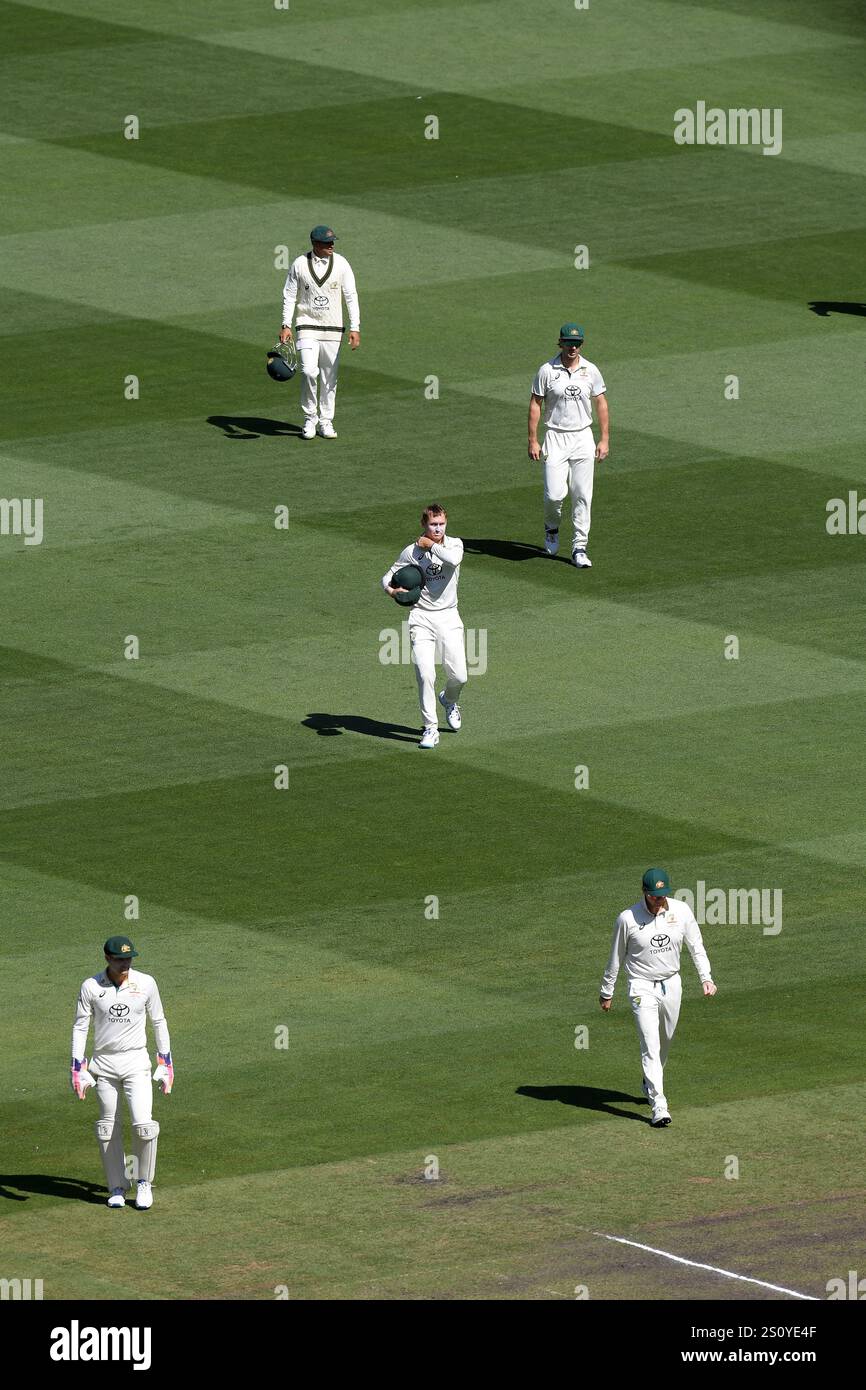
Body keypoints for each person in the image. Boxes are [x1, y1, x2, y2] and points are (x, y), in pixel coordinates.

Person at [599, 868, 717, 1127]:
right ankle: (659, 1106)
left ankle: (648, 1080)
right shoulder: (627, 919)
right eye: (654, 896)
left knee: (665, 1040)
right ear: (644, 893)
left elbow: (696, 946)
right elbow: (615, 958)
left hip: (672, 983)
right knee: (650, 1046)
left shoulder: (681, 911)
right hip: (641, 987)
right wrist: (607, 991)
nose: (659, 901)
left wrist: (706, 978)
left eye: (663, 896)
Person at [71, 936, 173, 1209]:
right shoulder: (91, 987)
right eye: (119, 959)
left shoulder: (147, 983)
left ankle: (143, 1183)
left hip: (136, 1063)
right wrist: (77, 1066)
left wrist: (166, 1062)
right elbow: (81, 1026)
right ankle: (117, 1186)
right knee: (107, 1128)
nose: (125, 964)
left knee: (144, 1125)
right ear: (107, 958)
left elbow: (159, 1021)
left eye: (128, 959)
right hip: (103, 1065)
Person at [381, 504, 466, 750]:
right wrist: (392, 591)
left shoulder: (455, 545)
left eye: (441, 524)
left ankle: (449, 700)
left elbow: (454, 560)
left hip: (449, 616)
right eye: (432, 524)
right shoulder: (411, 552)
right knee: (425, 674)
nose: (437, 528)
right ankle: (430, 728)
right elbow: (386, 577)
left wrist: (432, 546)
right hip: (421, 618)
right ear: (424, 525)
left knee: (459, 675)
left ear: (446, 523)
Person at [528, 323, 609, 567]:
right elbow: (535, 404)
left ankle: (579, 547)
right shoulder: (546, 370)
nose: (572, 347)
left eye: (576, 343)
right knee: (554, 495)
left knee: (582, 495)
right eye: (567, 342)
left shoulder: (591, 370)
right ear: (560, 343)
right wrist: (533, 439)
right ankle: (551, 529)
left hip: (583, 436)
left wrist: (604, 439)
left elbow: (601, 403)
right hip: (555, 436)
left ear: (581, 345)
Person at [279, 224, 360, 439]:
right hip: (307, 325)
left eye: (332, 241)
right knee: (308, 371)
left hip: (333, 328)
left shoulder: (342, 264)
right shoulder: (299, 264)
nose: (331, 245)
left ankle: (326, 421)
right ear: (315, 244)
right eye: (327, 242)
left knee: (329, 377)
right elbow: (289, 295)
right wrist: (286, 325)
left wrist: (355, 327)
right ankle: (310, 418)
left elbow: (351, 295)